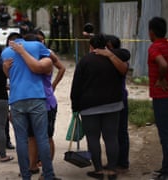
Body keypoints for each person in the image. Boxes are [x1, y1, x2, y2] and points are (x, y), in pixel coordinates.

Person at [9, 31, 65, 180]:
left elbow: (39, 68)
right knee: (31, 139)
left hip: (43, 103)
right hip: (33, 101)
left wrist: (21, 51)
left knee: (44, 138)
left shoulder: (45, 60)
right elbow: (11, 75)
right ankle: (35, 170)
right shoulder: (26, 59)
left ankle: (44, 174)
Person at [70, 34, 123, 180]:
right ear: (105, 45)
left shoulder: (84, 61)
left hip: (89, 107)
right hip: (113, 105)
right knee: (111, 137)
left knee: (93, 138)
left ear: (91, 46)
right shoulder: (113, 58)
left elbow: (76, 86)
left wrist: (75, 106)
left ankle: (98, 170)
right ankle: (112, 170)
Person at [93, 35, 130, 173]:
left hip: (118, 99)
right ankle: (116, 162)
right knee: (113, 134)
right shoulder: (107, 57)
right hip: (114, 99)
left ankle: (121, 163)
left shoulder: (119, 57)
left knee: (119, 132)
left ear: (109, 46)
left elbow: (125, 59)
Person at [147, 17, 168, 180]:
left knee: (165, 134)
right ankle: (167, 166)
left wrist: (162, 78)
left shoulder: (154, 48)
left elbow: (163, 65)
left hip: (162, 97)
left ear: (151, 32)